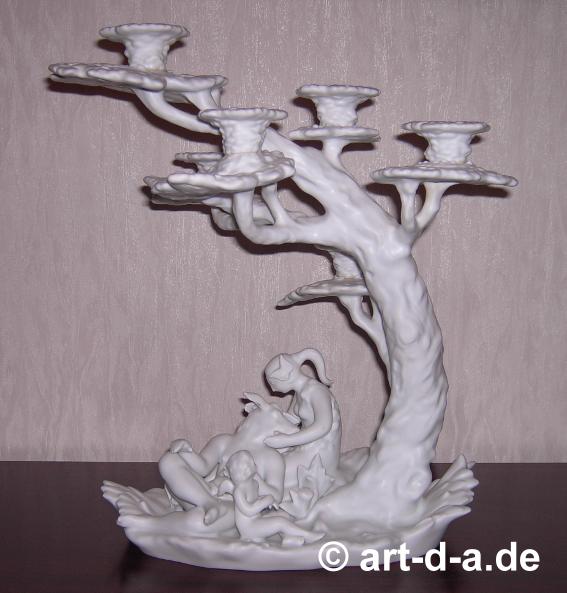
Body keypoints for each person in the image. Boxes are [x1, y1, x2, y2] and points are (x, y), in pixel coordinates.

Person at [263, 348, 342, 489]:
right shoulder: (299, 393)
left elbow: (324, 426)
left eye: (273, 383)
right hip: (304, 447)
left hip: (319, 454)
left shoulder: (317, 392)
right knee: (269, 460)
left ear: (287, 376)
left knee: (275, 471)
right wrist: (267, 418)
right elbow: (290, 421)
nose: (273, 389)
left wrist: (286, 441)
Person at [226, 450, 323, 545]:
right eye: (253, 463)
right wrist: (266, 501)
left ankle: (290, 538)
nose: (256, 465)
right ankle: (307, 536)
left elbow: (255, 500)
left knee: (283, 516)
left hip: (257, 520)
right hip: (249, 528)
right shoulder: (239, 491)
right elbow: (249, 511)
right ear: (246, 471)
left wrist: (269, 502)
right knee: (280, 523)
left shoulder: (254, 483)